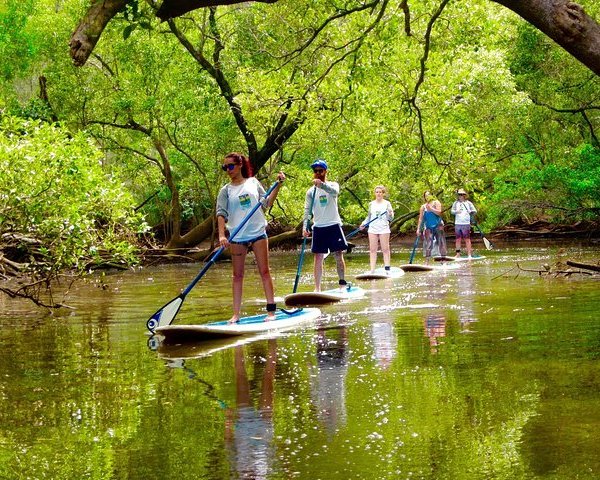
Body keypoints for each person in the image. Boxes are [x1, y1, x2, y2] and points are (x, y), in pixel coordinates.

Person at [216, 152, 285, 323]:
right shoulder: (225, 191)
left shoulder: (253, 182)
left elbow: (267, 202)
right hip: (237, 236)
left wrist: (278, 185)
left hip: (258, 233)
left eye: (230, 166)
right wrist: (221, 235)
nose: (228, 170)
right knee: (237, 275)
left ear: (239, 165)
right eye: (225, 167)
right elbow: (220, 214)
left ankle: (271, 312)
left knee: (264, 271)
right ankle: (236, 314)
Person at [302, 159, 348, 292]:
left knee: (338, 254)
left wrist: (321, 185)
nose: (318, 173)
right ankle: (317, 288)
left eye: (320, 170)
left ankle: (342, 284)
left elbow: (335, 193)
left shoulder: (333, 185)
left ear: (325, 171)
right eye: (315, 171)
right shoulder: (310, 192)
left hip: (333, 224)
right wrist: (305, 226)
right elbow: (307, 210)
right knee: (318, 257)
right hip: (319, 227)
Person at [359, 185, 394, 273]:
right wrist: (363, 224)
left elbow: (391, 218)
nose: (378, 194)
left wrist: (390, 214)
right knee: (372, 250)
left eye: (380, 192)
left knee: (385, 249)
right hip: (372, 229)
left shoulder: (387, 203)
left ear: (383, 193)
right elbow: (369, 217)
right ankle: (372, 270)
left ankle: (387, 268)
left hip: (384, 228)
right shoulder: (371, 204)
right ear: (375, 193)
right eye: (377, 192)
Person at [417, 190, 447, 263]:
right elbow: (421, 219)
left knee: (441, 242)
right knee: (428, 244)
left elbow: (439, 213)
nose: (427, 197)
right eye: (426, 196)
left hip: (438, 226)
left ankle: (443, 260)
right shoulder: (423, 207)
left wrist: (431, 209)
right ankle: (427, 261)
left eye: (429, 195)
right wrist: (418, 229)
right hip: (428, 227)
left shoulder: (436, 202)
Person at [450, 188, 477, 258]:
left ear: (464, 195)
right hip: (458, 223)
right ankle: (458, 254)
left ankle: (469, 255)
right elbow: (452, 211)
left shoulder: (468, 203)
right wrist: (457, 211)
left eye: (462, 194)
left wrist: (470, 212)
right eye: (459, 195)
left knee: (467, 239)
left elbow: (475, 211)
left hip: (466, 223)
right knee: (458, 239)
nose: (460, 196)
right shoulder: (455, 203)